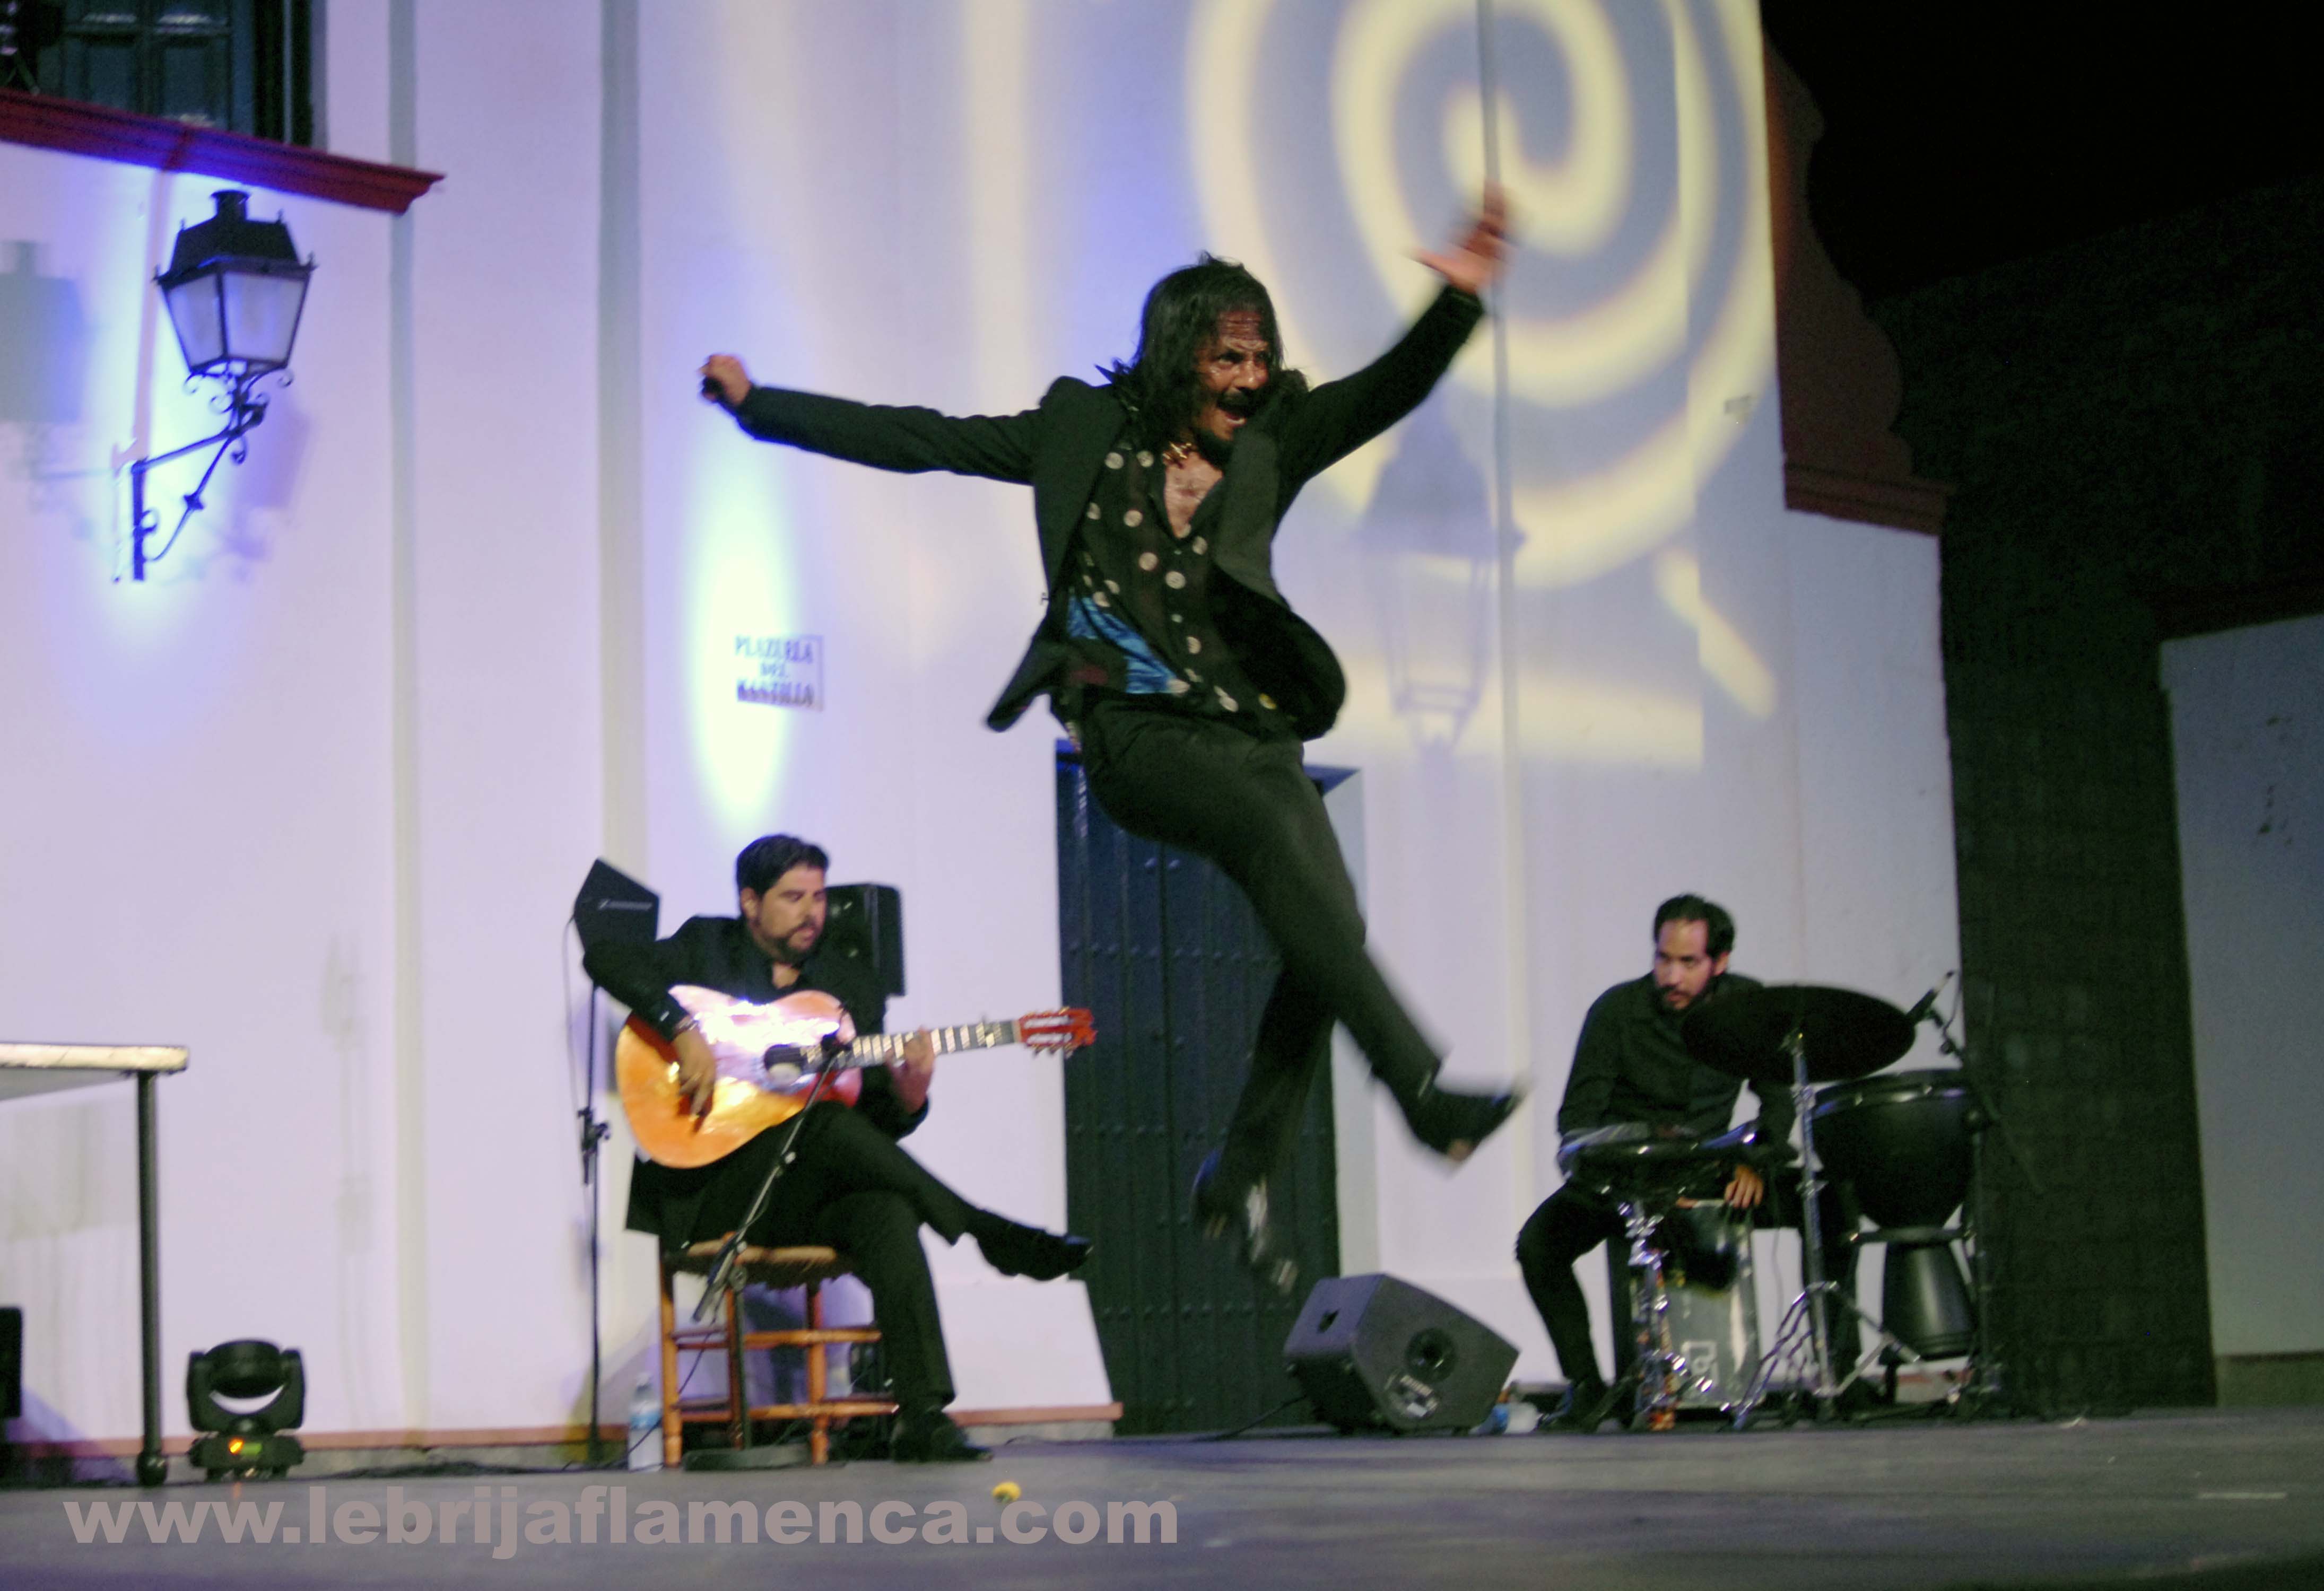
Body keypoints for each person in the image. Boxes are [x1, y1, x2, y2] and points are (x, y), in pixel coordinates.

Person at [695, 190, 1520, 1292]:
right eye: (1228, 359)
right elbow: (922, 438)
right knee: (1273, 853)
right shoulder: (1082, 434)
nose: (1250, 379)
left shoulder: (1276, 439)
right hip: (1132, 730)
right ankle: (1419, 1092)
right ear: (1180, 357)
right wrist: (762, 409)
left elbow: (1388, 389)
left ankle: (1240, 1173)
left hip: (1252, 728)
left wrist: (1456, 300)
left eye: (1261, 358)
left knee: (1331, 931)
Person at [584, 834, 1090, 1463]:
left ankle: (923, 1418)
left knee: (885, 1209)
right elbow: (605, 956)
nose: (812, 913)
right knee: (823, 1123)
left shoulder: (849, 985)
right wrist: (681, 1029)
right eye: (794, 898)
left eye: (820, 897)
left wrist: (909, 1097)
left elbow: (871, 1129)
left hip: (801, 1194)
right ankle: (981, 1226)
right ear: (750, 903)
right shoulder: (706, 947)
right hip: (718, 1190)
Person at [1517, 895, 1856, 1432]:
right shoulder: (1617, 1012)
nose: (1671, 976)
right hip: (1630, 1179)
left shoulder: (1747, 1006)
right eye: (1663, 959)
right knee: (1538, 1245)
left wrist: (1756, 1160)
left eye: (1688, 963)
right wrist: (1630, 1167)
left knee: (1830, 1204)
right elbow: (1577, 1119)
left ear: (1720, 962)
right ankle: (1588, 1389)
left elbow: (1777, 1101)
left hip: (1712, 1169)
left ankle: (1839, 1375)